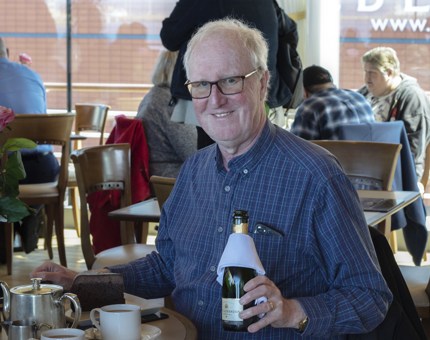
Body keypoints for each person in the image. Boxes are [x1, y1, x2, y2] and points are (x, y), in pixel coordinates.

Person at [31, 19, 392, 339]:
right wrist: (81, 281)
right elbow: (166, 265)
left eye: (231, 81)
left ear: (263, 83)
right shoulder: (193, 170)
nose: (215, 100)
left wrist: (293, 311)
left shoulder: (317, 176)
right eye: (201, 85)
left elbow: (370, 297)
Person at [160, 0, 299, 149]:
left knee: (215, 156)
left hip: (218, 93)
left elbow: (169, 37)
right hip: (270, 94)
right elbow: (290, 30)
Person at [0, 37, 58, 256]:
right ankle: (28, 213)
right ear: (7, 50)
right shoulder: (33, 75)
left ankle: (6, 235)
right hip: (45, 168)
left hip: (8, 172)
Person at [358, 47, 430, 182]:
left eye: (372, 72)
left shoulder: (412, 97)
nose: (367, 77)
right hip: (364, 166)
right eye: (365, 71)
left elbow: (414, 150)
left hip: (397, 172)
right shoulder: (364, 92)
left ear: (389, 72)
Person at [135, 49, 197, 180]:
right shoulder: (170, 103)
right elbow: (192, 152)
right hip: (169, 180)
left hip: (154, 175)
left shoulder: (152, 96)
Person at [290, 65, 374, 140]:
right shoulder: (360, 98)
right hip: (370, 157)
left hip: (334, 157)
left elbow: (297, 149)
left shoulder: (310, 107)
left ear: (304, 90)